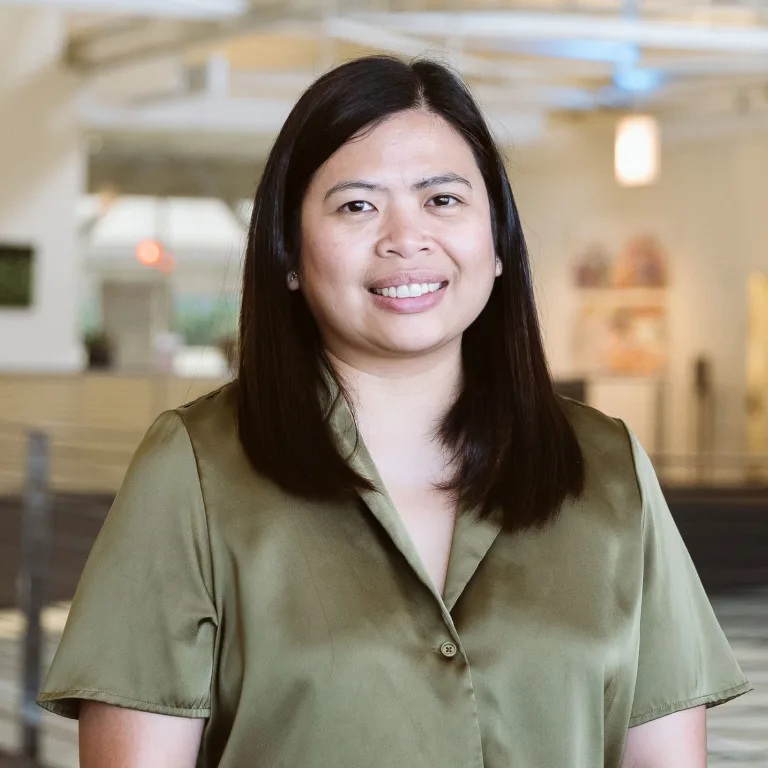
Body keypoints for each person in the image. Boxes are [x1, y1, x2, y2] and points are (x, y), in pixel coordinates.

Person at [38, 56, 750, 767]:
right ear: (289, 252)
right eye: (357, 205)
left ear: (498, 242)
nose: (405, 239)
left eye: (442, 200)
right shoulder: (193, 470)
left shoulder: (608, 469)